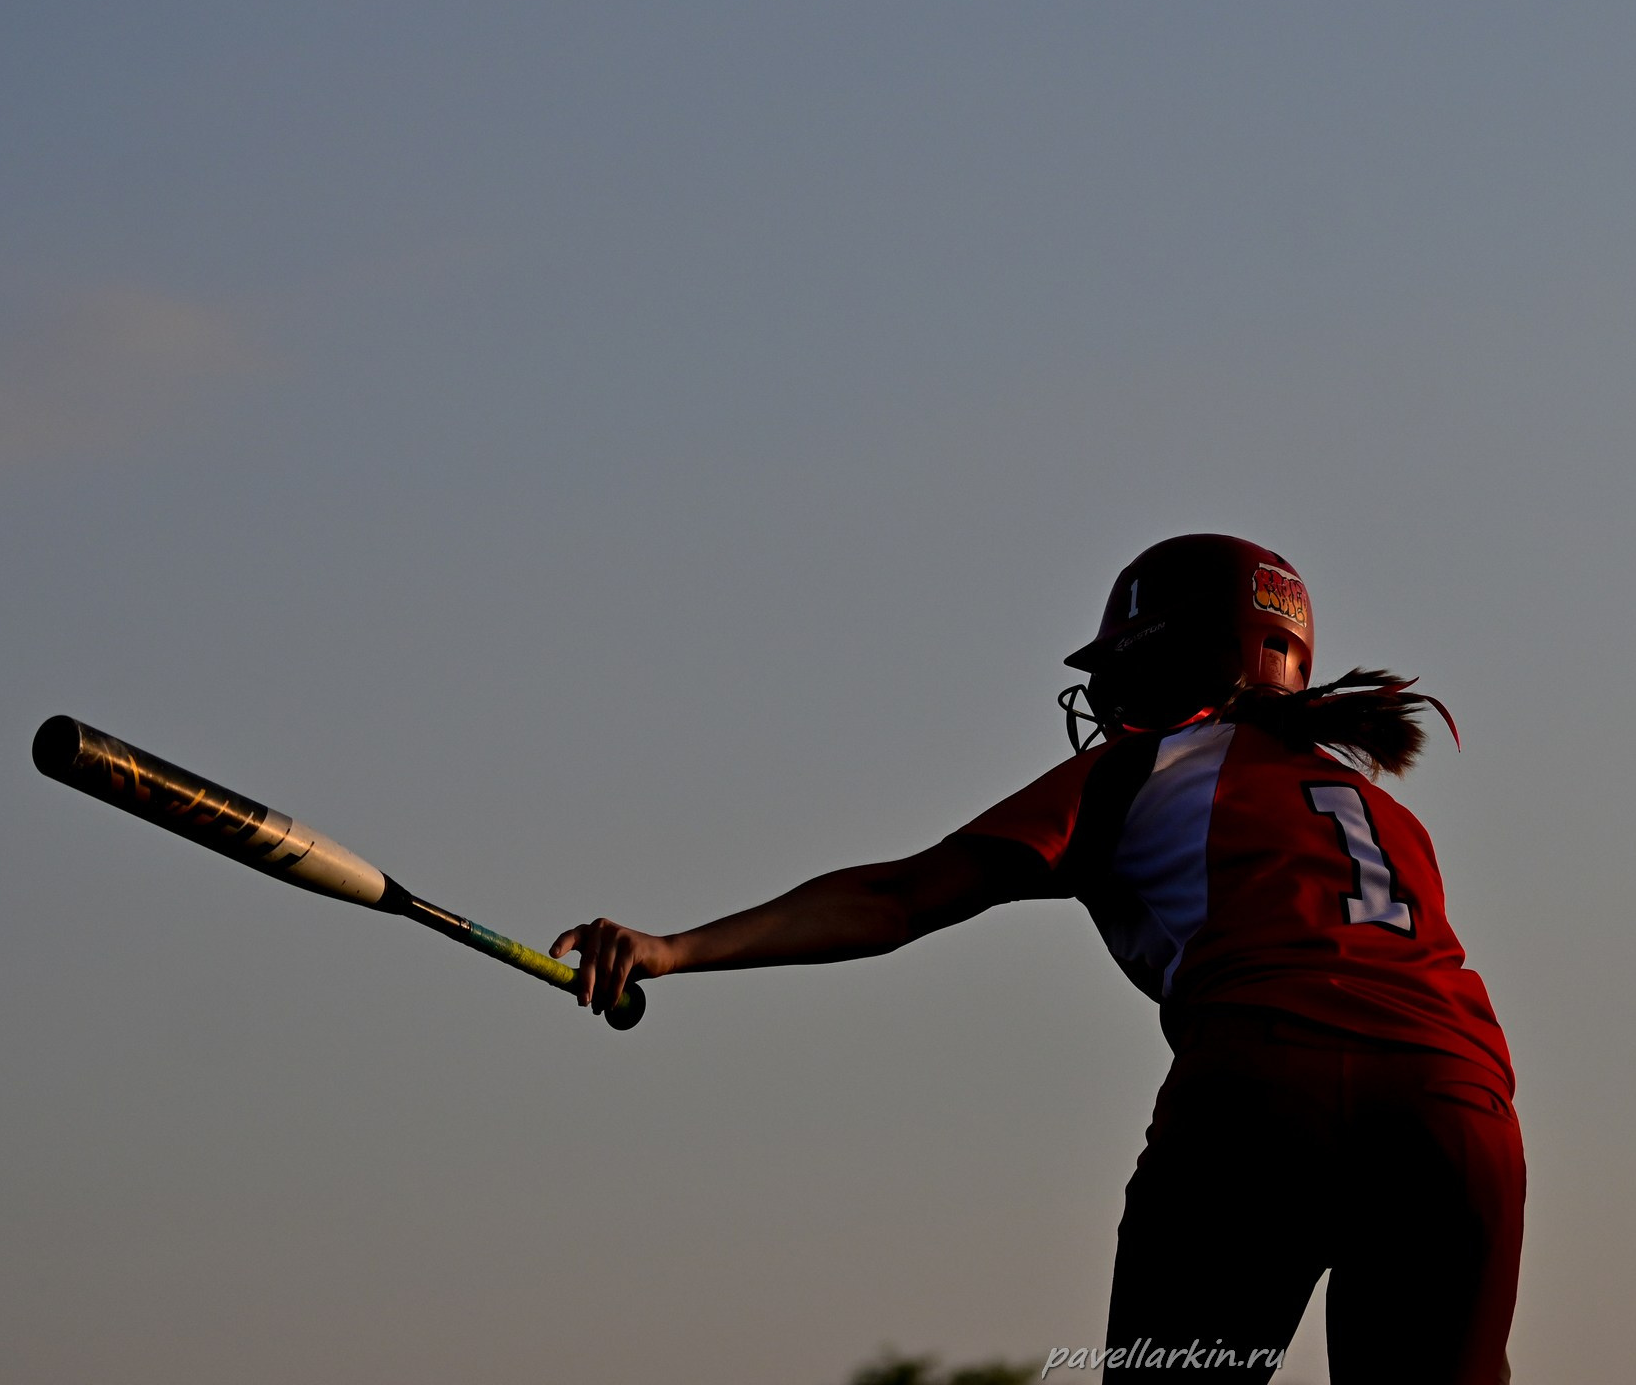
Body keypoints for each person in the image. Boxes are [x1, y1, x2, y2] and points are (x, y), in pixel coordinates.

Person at [554, 535, 1522, 1384]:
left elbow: (893, 901)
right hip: (1462, 1115)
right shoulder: (1389, 814)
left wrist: (672, 947)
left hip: (1266, 1095)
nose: (1105, 703)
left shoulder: (1142, 768)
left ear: (1176, 657)